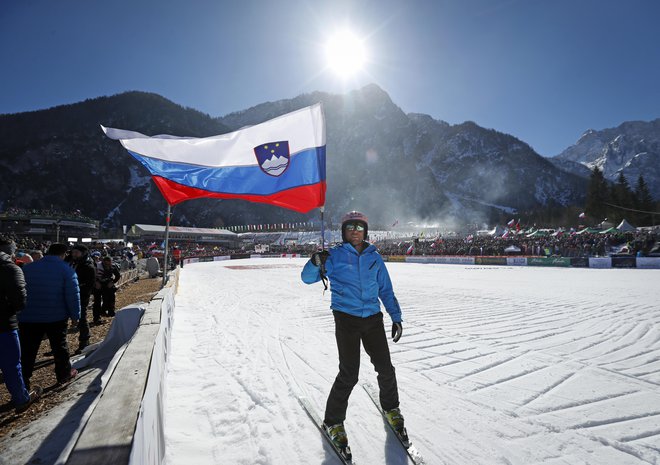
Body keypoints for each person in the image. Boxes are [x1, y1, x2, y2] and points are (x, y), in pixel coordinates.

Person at [301, 211, 405, 455]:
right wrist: (315, 261)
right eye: (351, 227)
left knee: (386, 368)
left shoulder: (374, 257)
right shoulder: (334, 255)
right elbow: (307, 279)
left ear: (365, 231)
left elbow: (386, 290)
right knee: (349, 374)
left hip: (372, 319)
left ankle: (391, 407)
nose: (356, 231)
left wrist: (396, 316)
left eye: (360, 227)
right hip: (346, 319)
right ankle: (333, 421)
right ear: (344, 231)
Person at [19, 243, 80, 388]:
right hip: (56, 316)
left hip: (29, 316)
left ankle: (23, 381)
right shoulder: (66, 270)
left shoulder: (28, 268)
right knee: (60, 347)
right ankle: (63, 376)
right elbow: (72, 295)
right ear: (64, 254)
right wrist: (75, 316)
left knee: (27, 350)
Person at [0, 238, 42, 413]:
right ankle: (21, 399)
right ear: (10, 251)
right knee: (11, 364)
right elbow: (20, 302)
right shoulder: (10, 269)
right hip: (4, 324)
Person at [70, 245, 96, 353]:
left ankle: (84, 341)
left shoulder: (88, 266)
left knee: (82, 318)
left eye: (77, 252)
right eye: (73, 252)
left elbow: (90, 284)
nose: (74, 254)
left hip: (81, 296)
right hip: (70, 293)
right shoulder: (73, 262)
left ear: (83, 253)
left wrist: (79, 288)